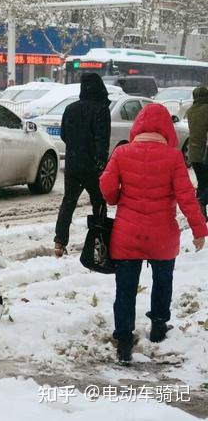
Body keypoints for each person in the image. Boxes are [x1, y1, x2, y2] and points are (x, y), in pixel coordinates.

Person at [99, 103, 207, 364]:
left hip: (127, 235)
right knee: (163, 280)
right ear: (167, 130)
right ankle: (158, 326)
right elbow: (186, 197)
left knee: (125, 289)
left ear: (138, 126)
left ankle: (124, 339)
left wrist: (115, 198)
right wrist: (198, 229)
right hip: (162, 235)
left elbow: (106, 185)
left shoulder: (123, 152)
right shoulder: (172, 157)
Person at [54, 73, 111, 257]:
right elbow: (102, 140)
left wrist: (76, 147)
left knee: (68, 202)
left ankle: (59, 242)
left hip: (72, 164)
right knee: (99, 203)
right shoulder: (101, 110)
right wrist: (101, 164)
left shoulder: (70, 109)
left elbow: (64, 135)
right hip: (92, 167)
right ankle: (99, 241)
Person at [186, 86, 208, 220]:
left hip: (194, 152)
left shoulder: (190, 111)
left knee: (202, 182)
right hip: (206, 152)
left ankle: (199, 214)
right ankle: (201, 202)